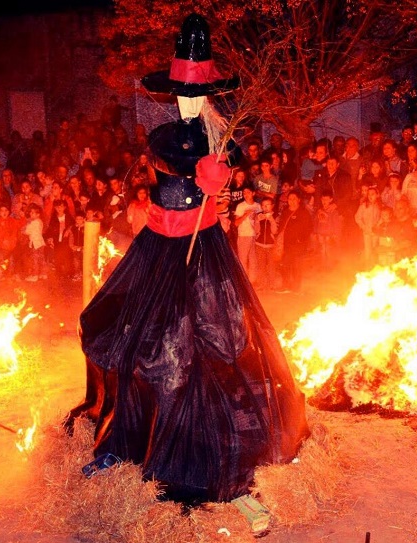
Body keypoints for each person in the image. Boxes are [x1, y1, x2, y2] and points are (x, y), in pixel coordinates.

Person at [65, 14, 309, 504]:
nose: (188, 101)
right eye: (182, 93)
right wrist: (203, 171)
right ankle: (121, 441)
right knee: (133, 342)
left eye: (196, 93)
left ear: (209, 94)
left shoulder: (222, 139)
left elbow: (231, 161)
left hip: (205, 244)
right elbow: (168, 163)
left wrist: (217, 176)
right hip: (160, 246)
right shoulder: (163, 139)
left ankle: (208, 439)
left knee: (215, 339)